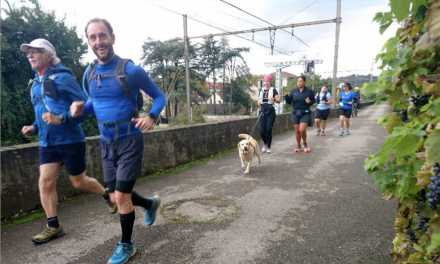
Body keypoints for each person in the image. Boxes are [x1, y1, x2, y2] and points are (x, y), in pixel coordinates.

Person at [69, 18, 166, 264]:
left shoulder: (130, 70)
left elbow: (159, 95)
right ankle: (149, 203)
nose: (98, 41)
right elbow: (95, 104)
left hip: (130, 140)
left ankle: (126, 245)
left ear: (112, 37)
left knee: (121, 196)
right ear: (89, 41)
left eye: (103, 35)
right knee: (115, 196)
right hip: (105, 143)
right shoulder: (89, 73)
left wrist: (151, 116)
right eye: (93, 37)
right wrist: (79, 111)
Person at [20, 38, 117, 244]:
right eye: (28, 52)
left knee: (78, 181)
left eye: (35, 51)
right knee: (45, 182)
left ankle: (106, 194)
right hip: (47, 142)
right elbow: (43, 113)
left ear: (47, 55)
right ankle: (53, 225)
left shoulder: (62, 78)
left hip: (70, 140)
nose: (30, 55)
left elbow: (84, 109)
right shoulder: (35, 83)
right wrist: (34, 127)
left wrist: (62, 118)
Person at [282, 76, 316, 152]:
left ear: (304, 82)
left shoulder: (309, 91)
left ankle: (305, 143)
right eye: (298, 81)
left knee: (302, 129)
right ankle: (298, 145)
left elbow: (314, 100)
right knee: (297, 131)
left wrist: (309, 102)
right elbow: (289, 102)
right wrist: (286, 97)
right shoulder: (294, 91)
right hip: (295, 112)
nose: (299, 83)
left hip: (305, 112)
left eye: (301, 81)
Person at [257, 74, 281, 154]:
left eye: (268, 81)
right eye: (265, 81)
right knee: (261, 131)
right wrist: (259, 102)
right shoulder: (261, 90)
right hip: (262, 111)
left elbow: (279, 100)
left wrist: (273, 99)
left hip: (270, 111)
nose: (266, 83)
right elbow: (258, 101)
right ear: (263, 82)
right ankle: (265, 143)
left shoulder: (273, 90)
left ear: (270, 81)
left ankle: (269, 147)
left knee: (268, 130)